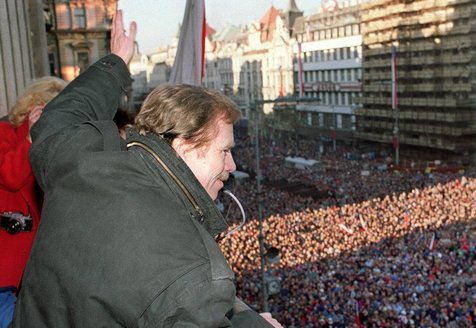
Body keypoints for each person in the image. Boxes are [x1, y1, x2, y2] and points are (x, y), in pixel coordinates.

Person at [11, 11, 281, 328]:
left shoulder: (83, 162)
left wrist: (116, 63)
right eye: (224, 151)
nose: (232, 165)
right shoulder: (190, 268)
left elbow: (58, 118)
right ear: (185, 147)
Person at [0, 76, 66, 328]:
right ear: (36, 110)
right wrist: (30, 138)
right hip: (5, 279)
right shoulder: (4, 134)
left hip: (29, 281)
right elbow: (12, 176)